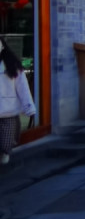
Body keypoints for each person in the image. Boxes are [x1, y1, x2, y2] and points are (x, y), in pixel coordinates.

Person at [0, 36, 36, 165]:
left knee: (6, 143)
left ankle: (4, 155)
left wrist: (29, 108)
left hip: (8, 112)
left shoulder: (12, 65)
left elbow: (23, 88)